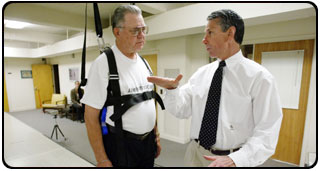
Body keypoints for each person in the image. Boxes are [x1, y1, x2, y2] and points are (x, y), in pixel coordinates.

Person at [147, 9, 283, 167]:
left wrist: (238, 159)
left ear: (230, 33)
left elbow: (268, 129)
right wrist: (172, 90)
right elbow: (181, 110)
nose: (204, 40)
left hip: (231, 159)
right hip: (195, 153)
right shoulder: (202, 73)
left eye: (210, 33)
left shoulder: (259, 77)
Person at [80, 5, 161, 167]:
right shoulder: (104, 64)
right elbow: (90, 116)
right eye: (135, 31)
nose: (142, 36)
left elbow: (149, 101)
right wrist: (101, 158)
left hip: (147, 142)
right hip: (121, 144)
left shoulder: (144, 63)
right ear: (117, 32)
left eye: (144, 29)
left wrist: (156, 135)